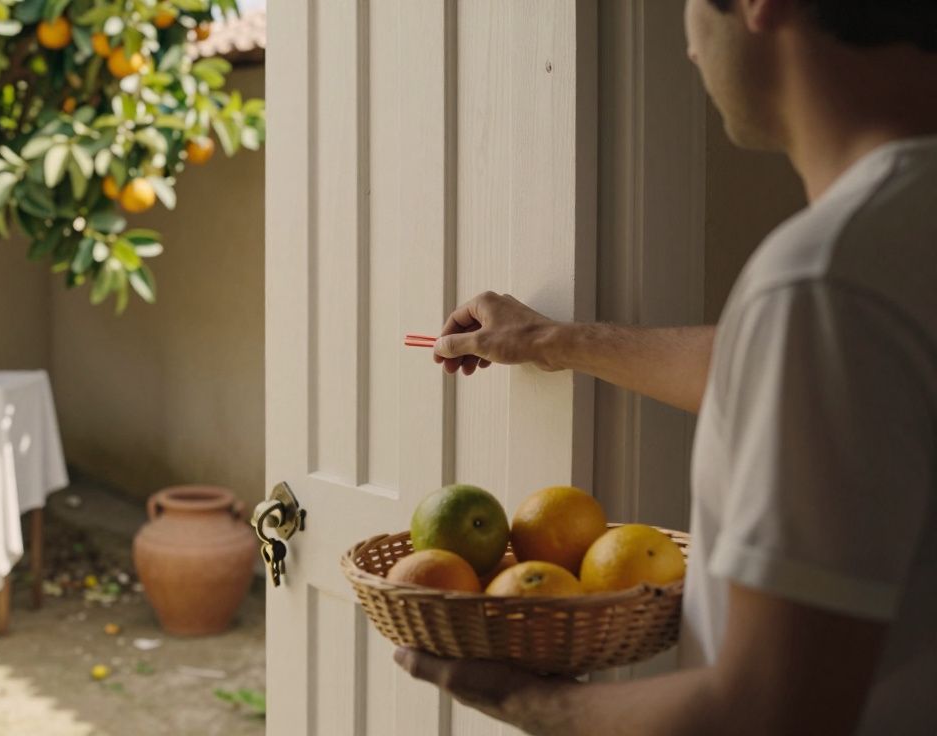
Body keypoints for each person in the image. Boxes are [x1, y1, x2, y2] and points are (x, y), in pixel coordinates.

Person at [395, 1, 937, 733]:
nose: (686, 48)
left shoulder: (826, 280)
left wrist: (521, 698)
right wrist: (552, 339)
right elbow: (793, 379)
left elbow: (773, 712)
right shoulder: (881, 256)